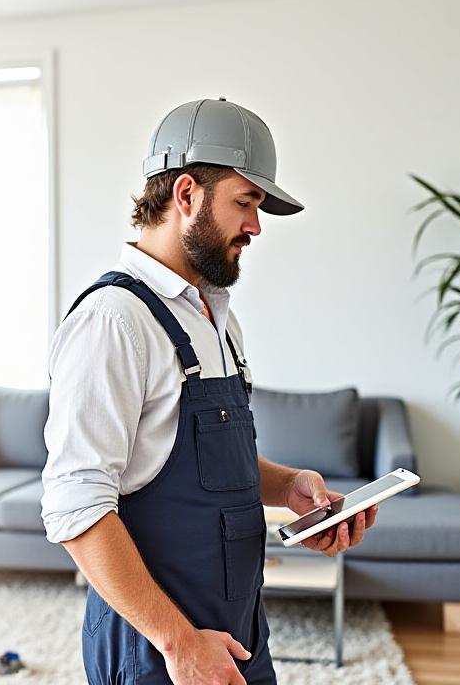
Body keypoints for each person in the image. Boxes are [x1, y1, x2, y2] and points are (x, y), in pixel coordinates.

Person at [40, 97, 378, 685]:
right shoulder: (113, 322)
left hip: (239, 632)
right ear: (188, 194)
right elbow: (75, 506)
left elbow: (204, 461)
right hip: (159, 650)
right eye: (245, 202)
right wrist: (178, 644)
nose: (256, 225)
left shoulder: (216, 317)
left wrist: (290, 487)